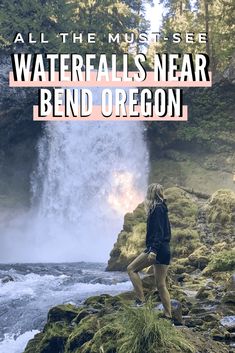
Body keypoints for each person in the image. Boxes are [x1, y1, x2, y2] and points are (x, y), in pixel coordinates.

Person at [127, 183, 172, 319]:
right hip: (165, 249)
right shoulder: (163, 208)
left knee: (131, 269)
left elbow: (158, 232)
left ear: (150, 193)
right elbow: (165, 232)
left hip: (156, 249)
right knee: (161, 284)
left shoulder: (157, 209)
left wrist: (153, 250)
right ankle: (168, 315)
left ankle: (141, 300)